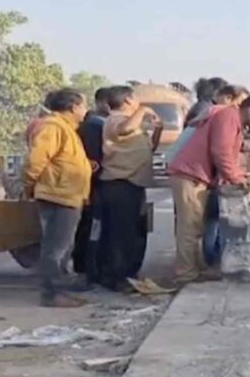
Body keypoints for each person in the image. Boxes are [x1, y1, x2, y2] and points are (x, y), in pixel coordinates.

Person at [167, 94, 250, 285]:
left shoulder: (234, 121)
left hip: (196, 175)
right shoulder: (229, 117)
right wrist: (236, 178)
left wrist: (238, 175)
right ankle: (185, 273)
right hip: (190, 174)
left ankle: (195, 268)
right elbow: (221, 152)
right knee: (189, 227)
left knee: (196, 226)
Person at [22, 88, 92, 307]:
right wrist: (29, 186)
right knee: (56, 248)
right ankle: (51, 293)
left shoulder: (66, 128)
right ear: (73, 107)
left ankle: (60, 288)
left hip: (68, 195)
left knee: (63, 247)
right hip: (58, 195)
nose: (86, 110)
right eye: (84, 105)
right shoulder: (53, 127)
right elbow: (35, 161)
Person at [99, 85, 163, 292]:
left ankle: (129, 274)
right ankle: (117, 277)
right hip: (120, 183)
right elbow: (124, 129)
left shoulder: (132, 122)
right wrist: (142, 110)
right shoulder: (115, 119)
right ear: (127, 100)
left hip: (134, 183)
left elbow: (148, 147)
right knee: (121, 234)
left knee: (135, 232)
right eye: (135, 99)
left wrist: (158, 130)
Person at [72, 87, 110, 284]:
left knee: (89, 229)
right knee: (90, 229)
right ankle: (87, 271)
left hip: (90, 186)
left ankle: (86, 268)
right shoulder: (93, 127)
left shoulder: (95, 125)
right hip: (91, 187)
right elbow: (93, 162)